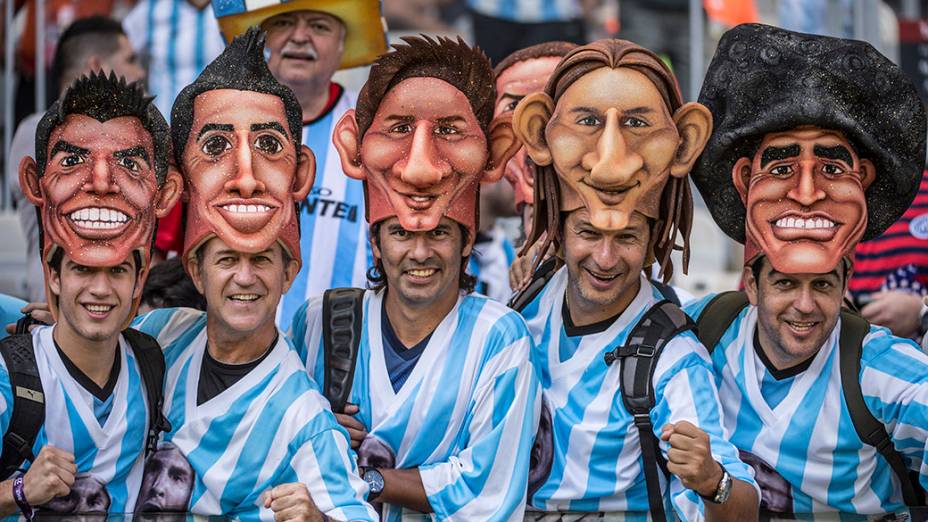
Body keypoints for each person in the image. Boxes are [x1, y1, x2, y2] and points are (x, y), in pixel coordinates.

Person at [289, 35, 539, 521]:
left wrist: (364, 478)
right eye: (400, 233)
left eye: (441, 233)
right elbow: (277, 453)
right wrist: (313, 430)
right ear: (375, 240)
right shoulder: (319, 323)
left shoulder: (498, 338)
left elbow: (489, 488)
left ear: (468, 241)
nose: (420, 252)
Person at [132, 28, 376, 521]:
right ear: (196, 270)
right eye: (226, 259)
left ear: (290, 273)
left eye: (263, 259)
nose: (245, 278)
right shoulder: (157, 338)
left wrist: (316, 518)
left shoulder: (305, 416)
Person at [511, 39, 759, 520]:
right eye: (586, 232)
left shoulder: (673, 358)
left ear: (653, 240)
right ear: (559, 232)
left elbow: (740, 508)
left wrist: (714, 481)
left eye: (627, 237)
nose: (604, 258)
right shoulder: (524, 302)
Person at [687, 23, 928, 515]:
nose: (804, 304)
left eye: (822, 284)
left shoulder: (884, 372)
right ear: (750, 285)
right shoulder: (700, 334)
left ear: (846, 284)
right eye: (783, 282)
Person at [4, 71, 182, 515]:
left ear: (141, 276)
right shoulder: (11, 377)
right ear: (54, 273)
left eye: (117, 271)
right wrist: (18, 491)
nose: (100, 289)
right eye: (83, 269)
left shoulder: (159, 356)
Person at [213, 0, 388, 324]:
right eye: (283, 23)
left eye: (319, 26)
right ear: (261, 37)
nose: (299, 36)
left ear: (341, 46)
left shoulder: (375, 131)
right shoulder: (218, 124)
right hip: (236, 346)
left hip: (345, 347)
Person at [7, 16, 146, 302]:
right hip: (52, 316)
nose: (139, 72)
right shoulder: (34, 133)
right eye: (130, 60)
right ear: (96, 66)